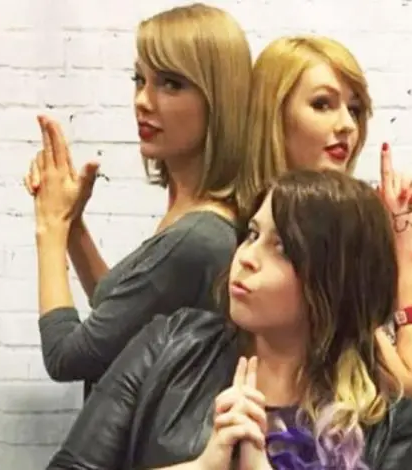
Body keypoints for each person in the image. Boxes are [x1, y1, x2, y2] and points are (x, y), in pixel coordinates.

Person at [45, 169, 412, 470]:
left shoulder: (388, 425)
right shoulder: (170, 345)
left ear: (336, 280)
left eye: (281, 248)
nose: (246, 257)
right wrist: (201, 467)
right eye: (253, 234)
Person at [22, 3, 252, 396]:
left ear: (219, 99)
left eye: (171, 83)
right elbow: (118, 305)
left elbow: (66, 356)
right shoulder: (190, 215)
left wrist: (50, 229)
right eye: (139, 79)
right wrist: (74, 225)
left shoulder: (198, 237)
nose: (143, 100)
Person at [236, 36, 412, 408]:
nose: (346, 124)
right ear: (274, 115)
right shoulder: (233, 241)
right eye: (322, 104)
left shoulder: (338, 233)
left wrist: (408, 244)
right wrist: (410, 252)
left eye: (355, 109)